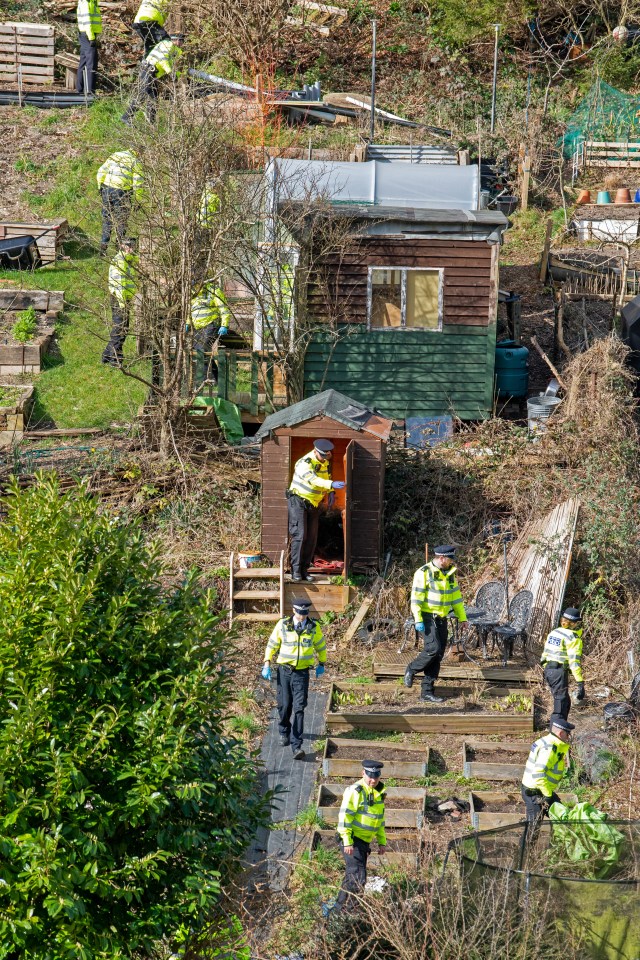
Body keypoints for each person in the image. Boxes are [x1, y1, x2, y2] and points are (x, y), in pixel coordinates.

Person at [261, 599, 326, 760]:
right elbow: (272, 644)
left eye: (305, 614)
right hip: (284, 671)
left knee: (299, 708)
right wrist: (267, 662)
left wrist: (322, 663)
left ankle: (297, 745)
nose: (302, 617)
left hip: (302, 674)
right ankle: (284, 731)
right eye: (300, 613)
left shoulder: (313, 627)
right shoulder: (283, 625)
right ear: (294, 611)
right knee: (284, 706)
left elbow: (320, 645)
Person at [404, 545, 467, 703]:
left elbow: (456, 598)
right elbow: (416, 598)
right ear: (441, 558)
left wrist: (463, 618)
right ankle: (411, 669)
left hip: (442, 618)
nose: (452, 562)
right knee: (433, 649)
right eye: (450, 559)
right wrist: (418, 619)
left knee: (438, 655)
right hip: (427, 616)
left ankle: (427, 692)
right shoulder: (424, 572)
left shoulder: (450, 574)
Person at [287, 440, 345, 584]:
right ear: (316, 451)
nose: (328, 456)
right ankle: (295, 570)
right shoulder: (304, 463)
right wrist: (331, 484)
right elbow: (313, 480)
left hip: (313, 503)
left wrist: (330, 491)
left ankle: (305, 570)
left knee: (312, 537)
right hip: (298, 501)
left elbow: (326, 478)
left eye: (329, 453)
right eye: (325, 454)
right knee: (300, 535)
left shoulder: (324, 462)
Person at [333, 761, 386, 912]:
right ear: (363, 773)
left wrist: (382, 842)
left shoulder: (378, 794)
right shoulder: (355, 791)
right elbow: (345, 817)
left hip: (363, 843)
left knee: (353, 876)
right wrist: (347, 841)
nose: (373, 780)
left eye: (376, 776)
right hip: (352, 840)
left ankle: (340, 909)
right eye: (370, 776)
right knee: (358, 877)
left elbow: (380, 821)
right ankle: (349, 911)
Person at [521, 717, 573, 822]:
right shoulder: (549, 748)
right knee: (532, 829)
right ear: (561, 733)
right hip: (535, 793)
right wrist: (548, 795)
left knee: (562, 817)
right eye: (567, 735)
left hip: (542, 789)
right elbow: (538, 773)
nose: (568, 738)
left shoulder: (548, 741)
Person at [121, 37, 182, 124]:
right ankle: (126, 117)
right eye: (180, 40)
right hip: (148, 70)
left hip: (153, 73)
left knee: (154, 98)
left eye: (182, 41)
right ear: (174, 39)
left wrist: (178, 75)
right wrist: (170, 73)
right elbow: (163, 60)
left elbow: (171, 65)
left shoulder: (174, 49)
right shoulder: (168, 45)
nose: (181, 43)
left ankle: (151, 122)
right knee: (144, 94)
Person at [540, 607, 584, 723]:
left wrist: (547, 671)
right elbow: (574, 662)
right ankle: (556, 734)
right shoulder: (573, 638)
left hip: (549, 670)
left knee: (565, 702)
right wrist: (580, 682)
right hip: (559, 672)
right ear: (575, 623)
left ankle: (562, 730)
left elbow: (544, 655)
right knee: (560, 705)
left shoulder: (554, 632)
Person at [96, 150, 144, 256]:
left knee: (107, 219)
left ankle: (103, 248)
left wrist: (100, 186)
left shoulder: (115, 155)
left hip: (107, 189)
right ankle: (119, 247)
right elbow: (138, 183)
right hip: (122, 192)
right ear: (139, 152)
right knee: (121, 220)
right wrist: (138, 201)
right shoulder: (135, 161)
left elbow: (101, 171)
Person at [102, 238, 138, 366]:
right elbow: (120, 285)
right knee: (120, 328)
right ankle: (115, 360)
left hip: (124, 299)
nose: (132, 248)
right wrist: (123, 304)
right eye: (129, 246)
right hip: (119, 299)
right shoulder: (120, 261)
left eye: (134, 246)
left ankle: (107, 355)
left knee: (122, 327)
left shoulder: (128, 260)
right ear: (122, 246)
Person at [189, 280, 230, 384]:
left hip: (210, 325)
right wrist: (187, 322)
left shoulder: (213, 289)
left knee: (201, 350)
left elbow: (223, 307)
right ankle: (219, 379)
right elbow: (191, 309)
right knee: (203, 353)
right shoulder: (192, 291)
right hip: (197, 327)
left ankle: (202, 381)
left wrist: (224, 324)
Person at [76, 0, 101, 95]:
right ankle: (91, 92)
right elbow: (87, 21)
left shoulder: (91, 2)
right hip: (88, 35)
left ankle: (80, 90)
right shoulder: (86, 3)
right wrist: (92, 38)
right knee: (92, 64)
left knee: (83, 62)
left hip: (85, 35)